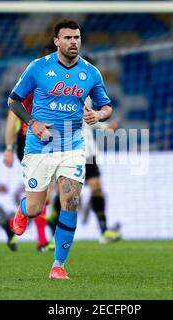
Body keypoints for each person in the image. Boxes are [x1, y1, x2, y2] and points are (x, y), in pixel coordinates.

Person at [7, 19, 113, 279]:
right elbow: (13, 101)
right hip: (40, 146)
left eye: (77, 37)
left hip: (73, 145)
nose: (73, 42)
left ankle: (58, 266)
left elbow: (107, 107)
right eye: (68, 38)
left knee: (71, 201)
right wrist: (33, 123)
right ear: (57, 41)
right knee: (36, 208)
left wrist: (99, 116)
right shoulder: (38, 68)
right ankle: (23, 210)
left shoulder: (91, 73)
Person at [47, 55, 122, 245]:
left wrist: (106, 128)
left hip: (88, 152)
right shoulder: (61, 91)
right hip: (68, 150)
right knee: (67, 193)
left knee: (96, 187)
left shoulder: (87, 94)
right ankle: (52, 229)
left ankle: (104, 231)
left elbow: (90, 119)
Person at [1, 44, 57, 253]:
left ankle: (10, 226)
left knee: (46, 197)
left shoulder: (61, 84)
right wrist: (8, 147)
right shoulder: (32, 82)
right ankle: (42, 241)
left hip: (51, 140)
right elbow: (12, 114)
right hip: (29, 142)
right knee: (43, 193)